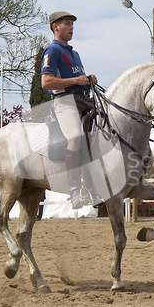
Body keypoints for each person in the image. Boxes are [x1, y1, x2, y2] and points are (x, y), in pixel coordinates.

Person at [41, 11, 99, 209]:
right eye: (67, 24)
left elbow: (78, 77)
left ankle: (94, 186)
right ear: (55, 27)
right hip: (65, 101)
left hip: (85, 100)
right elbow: (46, 82)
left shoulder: (75, 54)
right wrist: (76, 80)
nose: (72, 27)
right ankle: (75, 190)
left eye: (72, 24)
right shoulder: (52, 50)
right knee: (75, 138)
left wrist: (87, 80)